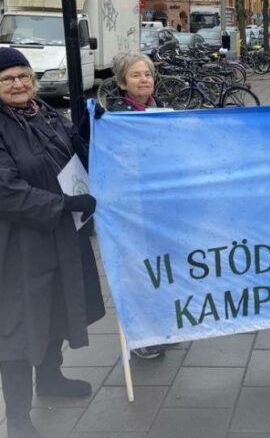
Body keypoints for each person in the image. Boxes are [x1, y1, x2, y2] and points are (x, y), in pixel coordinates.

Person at [0, 47, 104, 438]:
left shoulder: (43, 113)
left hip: (57, 233)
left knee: (56, 305)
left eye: (23, 75)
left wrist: (96, 130)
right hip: (14, 244)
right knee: (18, 324)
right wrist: (64, 204)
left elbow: (73, 150)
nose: (18, 84)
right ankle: (17, 415)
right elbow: (3, 189)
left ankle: (51, 378)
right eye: (7, 79)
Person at [105, 53, 174, 358]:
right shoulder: (116, 118)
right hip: (132, 207)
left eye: (147, 74)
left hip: (158, 204)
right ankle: (141, 336)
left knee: (157, 268)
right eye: (135, 75)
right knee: (137, 272)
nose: (144, 79)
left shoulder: (157, 108)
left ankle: (158, 325)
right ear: (121, 82)